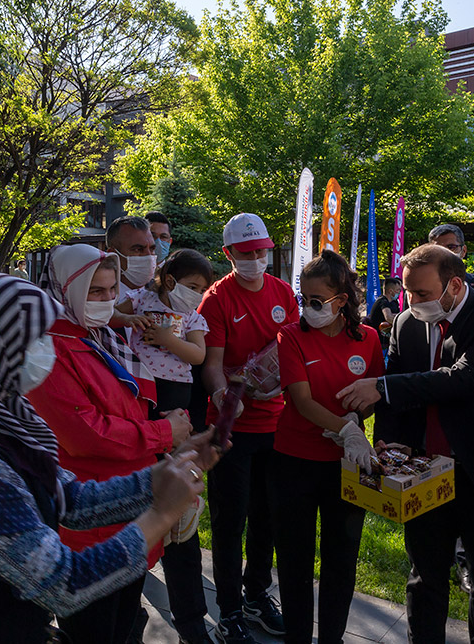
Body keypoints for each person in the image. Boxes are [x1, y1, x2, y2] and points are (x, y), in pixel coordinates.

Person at [0, 272, 219, 643]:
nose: (44, 348)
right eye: (31, 337)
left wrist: (163, 475)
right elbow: (62, 584)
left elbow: (68, 497)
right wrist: (160, 515)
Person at [337, 243, 474, 644]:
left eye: (422, 293)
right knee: (424, 576)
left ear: (455, 285)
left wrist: (382, 387)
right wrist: (387, 443)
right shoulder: (406, 323)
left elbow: (462, 379)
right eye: (407, 292)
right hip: (424, 470)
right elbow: (396, 391)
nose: (411, 301)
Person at [26, 243, 193, 643]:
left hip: (127, 509)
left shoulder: (97, 337)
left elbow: (122, 410)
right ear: (65, 291)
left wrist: (162, 431)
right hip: (89, 524)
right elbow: (86, 434)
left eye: (110, 290)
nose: (105, 300)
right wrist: (163, 432)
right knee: (95, 632)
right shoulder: (48, 347)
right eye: (93, 292)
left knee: (124, 625)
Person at [271, 250, 383, 644]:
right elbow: (301, 401)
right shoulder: (290, 336)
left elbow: (374, 394)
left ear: (342, 299)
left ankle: (332, 636)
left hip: (345, 466)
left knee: (341, 558)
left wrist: (358, 420)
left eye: (318, 301)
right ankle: (297, 636)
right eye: (305, 299)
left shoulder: (368, 339)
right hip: (295, 461)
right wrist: (346, 428)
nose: (310, 308)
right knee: (294, 557)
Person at [199, 213, 298, 643]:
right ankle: (229, 611)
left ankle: (257, 597)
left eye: (262, 251)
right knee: (229, 520)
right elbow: (212, 365)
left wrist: (281, 379)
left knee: (268, 518)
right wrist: (225, 397)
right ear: (229, 255)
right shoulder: (217, 299)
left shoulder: (282, 292)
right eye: (247, 254)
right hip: (233, 430)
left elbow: (295, 347)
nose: (257, 260)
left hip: (278, 426)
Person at [117, 247, 215, 644]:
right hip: (140, 402)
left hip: (178, 402)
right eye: (193, 286)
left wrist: (167, 339)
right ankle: (128, 611)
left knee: (181, 521)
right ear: (169, 280)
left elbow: (197, 353)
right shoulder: (140, 297)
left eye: (203, 288)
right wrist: (130, 319)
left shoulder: (192, 316)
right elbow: (115, 314)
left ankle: (192, 621)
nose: (198, 294)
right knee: (139, 508)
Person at [428, 224, 474, 297]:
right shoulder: (421, 285)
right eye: (438, 248)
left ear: (463, 251)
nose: (445, 252)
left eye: (451, 247)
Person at [107, 215, 157, 303]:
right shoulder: (102, 299)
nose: (148, 255)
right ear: (114, 255)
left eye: (152, 249)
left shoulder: (163, 296)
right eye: (138, 249)